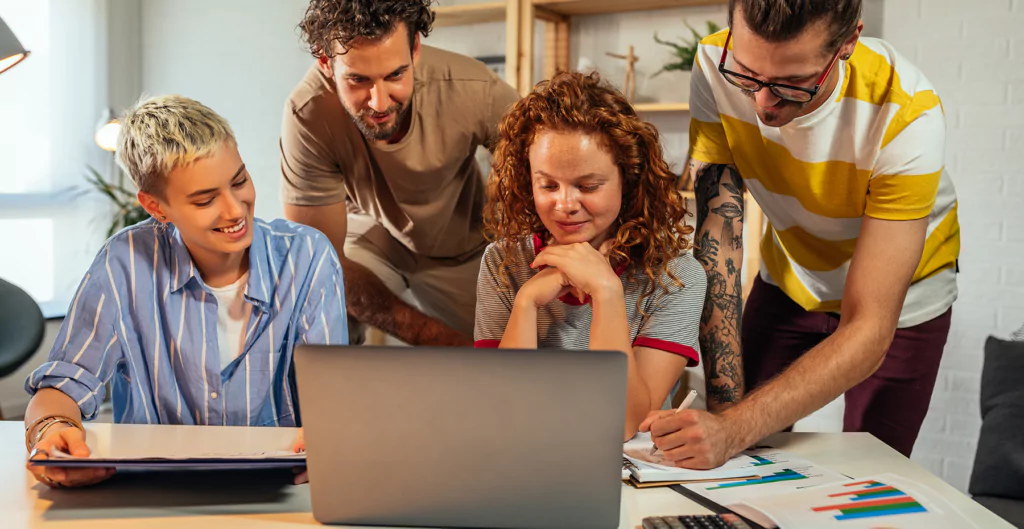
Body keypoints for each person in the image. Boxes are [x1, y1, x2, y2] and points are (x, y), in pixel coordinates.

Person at [642, 0, 960, 466]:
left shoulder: (908, 113)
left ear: (849, 41)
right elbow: (719, 239)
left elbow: (869, 326)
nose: (761, 105)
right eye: (747, 76)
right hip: (789, 279)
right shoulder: (714, 64)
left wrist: (732, 430)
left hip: (904, 301)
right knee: (737, 454)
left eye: (792, 84)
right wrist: (729, 421)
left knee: (872, 472)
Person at [23, 95, 347, 488]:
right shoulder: (123, 262)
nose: (234, 210)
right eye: (205, 199)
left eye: (240, 181)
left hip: (285, 494)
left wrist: (327, 434)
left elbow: (331, 393)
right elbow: (62, 384)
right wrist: (50, 432)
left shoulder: (308, 256)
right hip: (155, 497)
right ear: (155, 207)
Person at [474, 71, 707, 440]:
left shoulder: (677, 276)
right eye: (547, 184)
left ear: (628, 180)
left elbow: (624, 424)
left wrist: (606, 292)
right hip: (526, 457)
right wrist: (526, 302)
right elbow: (499, 411)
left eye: (587, 186)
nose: (565, 205)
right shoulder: (503, 262)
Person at [281, 0, 520, 346]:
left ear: (415, 50)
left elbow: (546, 176)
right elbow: (321, 261)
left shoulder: (475, 90)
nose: (379, 103)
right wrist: (432, 336)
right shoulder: (307, 114)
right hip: (373, 235)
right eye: (358, 80)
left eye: (395, 75)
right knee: (312, 308)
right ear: (324, 63)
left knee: (511, 361)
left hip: (463, 246)